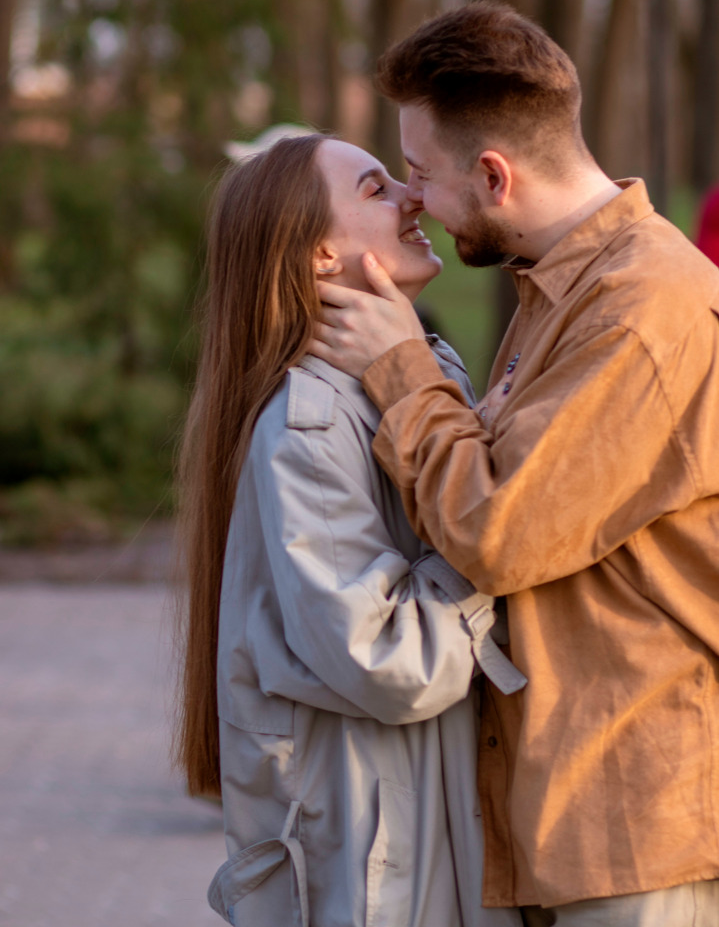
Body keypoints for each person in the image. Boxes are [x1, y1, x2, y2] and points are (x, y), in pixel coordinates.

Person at [310, 1, 719, 926]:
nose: (411, 198)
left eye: (418, 173)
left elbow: (499, 534)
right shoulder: (559, 289)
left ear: (492, 176)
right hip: (569, 819)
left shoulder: (640, 311)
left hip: (637, 830)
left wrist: (399, 366)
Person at [174, 132, 525, 927]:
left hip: (427, 844)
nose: (412, 195)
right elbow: (383, 658)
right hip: (380, 878)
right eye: (374, 189)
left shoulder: (413, 372)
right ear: (318, 259)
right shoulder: (311, 422)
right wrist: (505, 543)